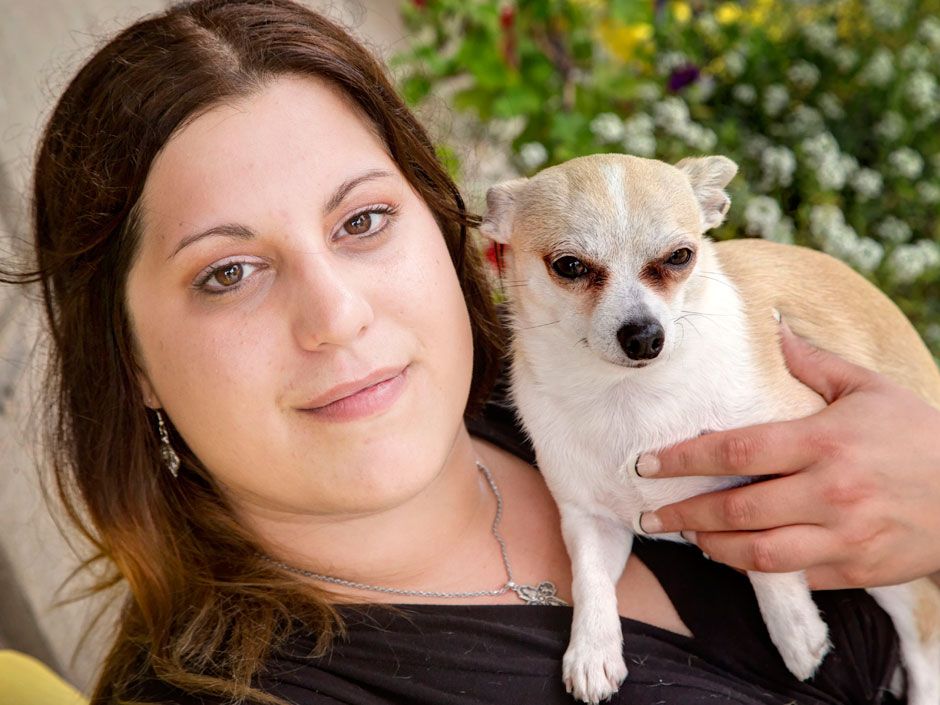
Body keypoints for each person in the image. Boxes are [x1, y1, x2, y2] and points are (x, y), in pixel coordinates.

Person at [7, 0, 940, 703]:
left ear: (465, 236)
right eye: (228, 272)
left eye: (363, 219)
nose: (336, 316)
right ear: (126, 358)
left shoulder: (571, 387)